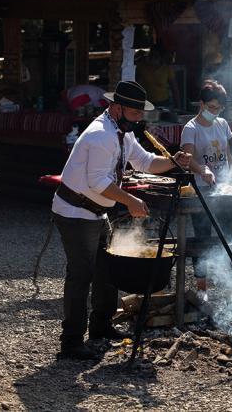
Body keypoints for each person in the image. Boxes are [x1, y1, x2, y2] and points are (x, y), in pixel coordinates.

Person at [51, 80, 191, 360]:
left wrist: (173, 162)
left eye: (141, 114)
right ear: (117, 108)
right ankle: (71, 342)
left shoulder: (121, 131)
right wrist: (131, 201)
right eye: (135, 113)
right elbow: (98, 182)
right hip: (75, 211)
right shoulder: (100, 135)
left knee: (107, 269)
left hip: (95, 210)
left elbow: (145, 162)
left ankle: (101, 327)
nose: (140, 119)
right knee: (81, 275)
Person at [180, 80, 232, 299]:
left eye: (219, 108)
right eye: (211, 107)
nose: (215, 112)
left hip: (224, 189)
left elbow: (228, 154)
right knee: (202, 239)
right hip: (201, 191)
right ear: (201, 104)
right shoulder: (191, 128)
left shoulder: (222, 124)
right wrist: (202, 169)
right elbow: (187, 160)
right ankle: (202, 290)